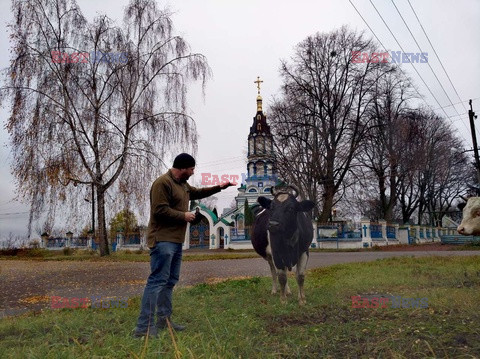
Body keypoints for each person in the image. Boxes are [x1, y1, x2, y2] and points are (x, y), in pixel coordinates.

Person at [133, 153, 234, 337]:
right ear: (182, 168)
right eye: (191, 169)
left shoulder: (183, 185)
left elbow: (198, 192)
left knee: (169, 282)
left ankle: (164, 321)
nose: (193, 171)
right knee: (157, 282)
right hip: (162, 240)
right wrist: (184, 215)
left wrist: (219, 187)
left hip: (176, 241)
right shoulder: (162, 183)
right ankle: (143, 328)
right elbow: (159, 210)